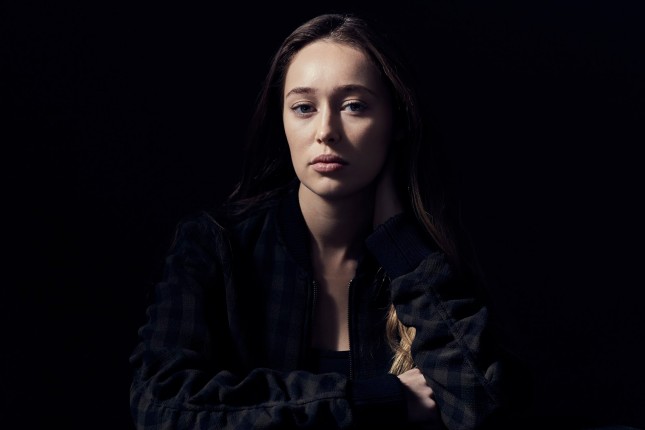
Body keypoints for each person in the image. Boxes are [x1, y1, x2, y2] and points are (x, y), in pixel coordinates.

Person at [129, 12, 512, 429]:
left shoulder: (429, 258)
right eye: (304, 108)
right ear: (282, 121)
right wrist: (377, 400)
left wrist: (399, 243)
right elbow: (160, 406)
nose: (326, 131)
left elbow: (482, 403)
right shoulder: (215, 246)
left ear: (396, 121)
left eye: (354, 106)